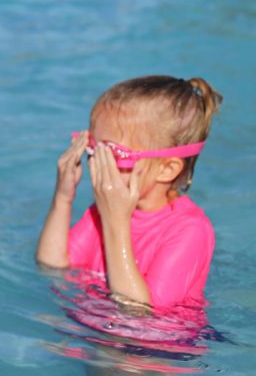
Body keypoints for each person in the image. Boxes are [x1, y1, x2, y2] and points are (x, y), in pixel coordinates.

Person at [36, 75, 222, 309]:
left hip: (155, 344)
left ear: (166, 169)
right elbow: (52, 267)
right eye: (93, 149)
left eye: (113, 154)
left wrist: (116, 221)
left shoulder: (189, 230)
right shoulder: (102, 210)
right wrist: (63, 199)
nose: (98, 164)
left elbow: (138, 311)